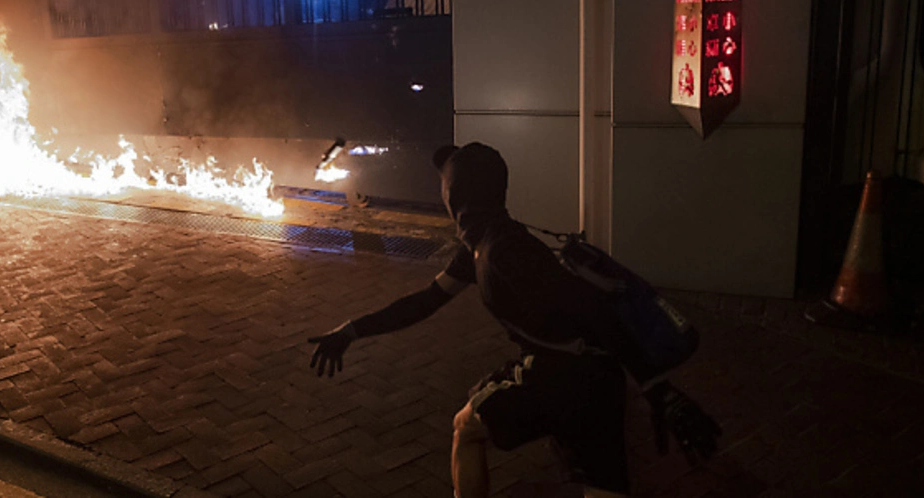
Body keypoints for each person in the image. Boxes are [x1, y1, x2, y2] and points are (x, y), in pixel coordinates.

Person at [307, 142, 721, 498]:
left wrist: (659, 391)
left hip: (563, 376)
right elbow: (425, 301)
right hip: (594, 380)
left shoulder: (506, 250)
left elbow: (593, 311)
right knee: (603, 488)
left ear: (456, 194)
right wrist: (353, 330)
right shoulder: (481, 245)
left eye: (445, 184)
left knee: (466, 428)